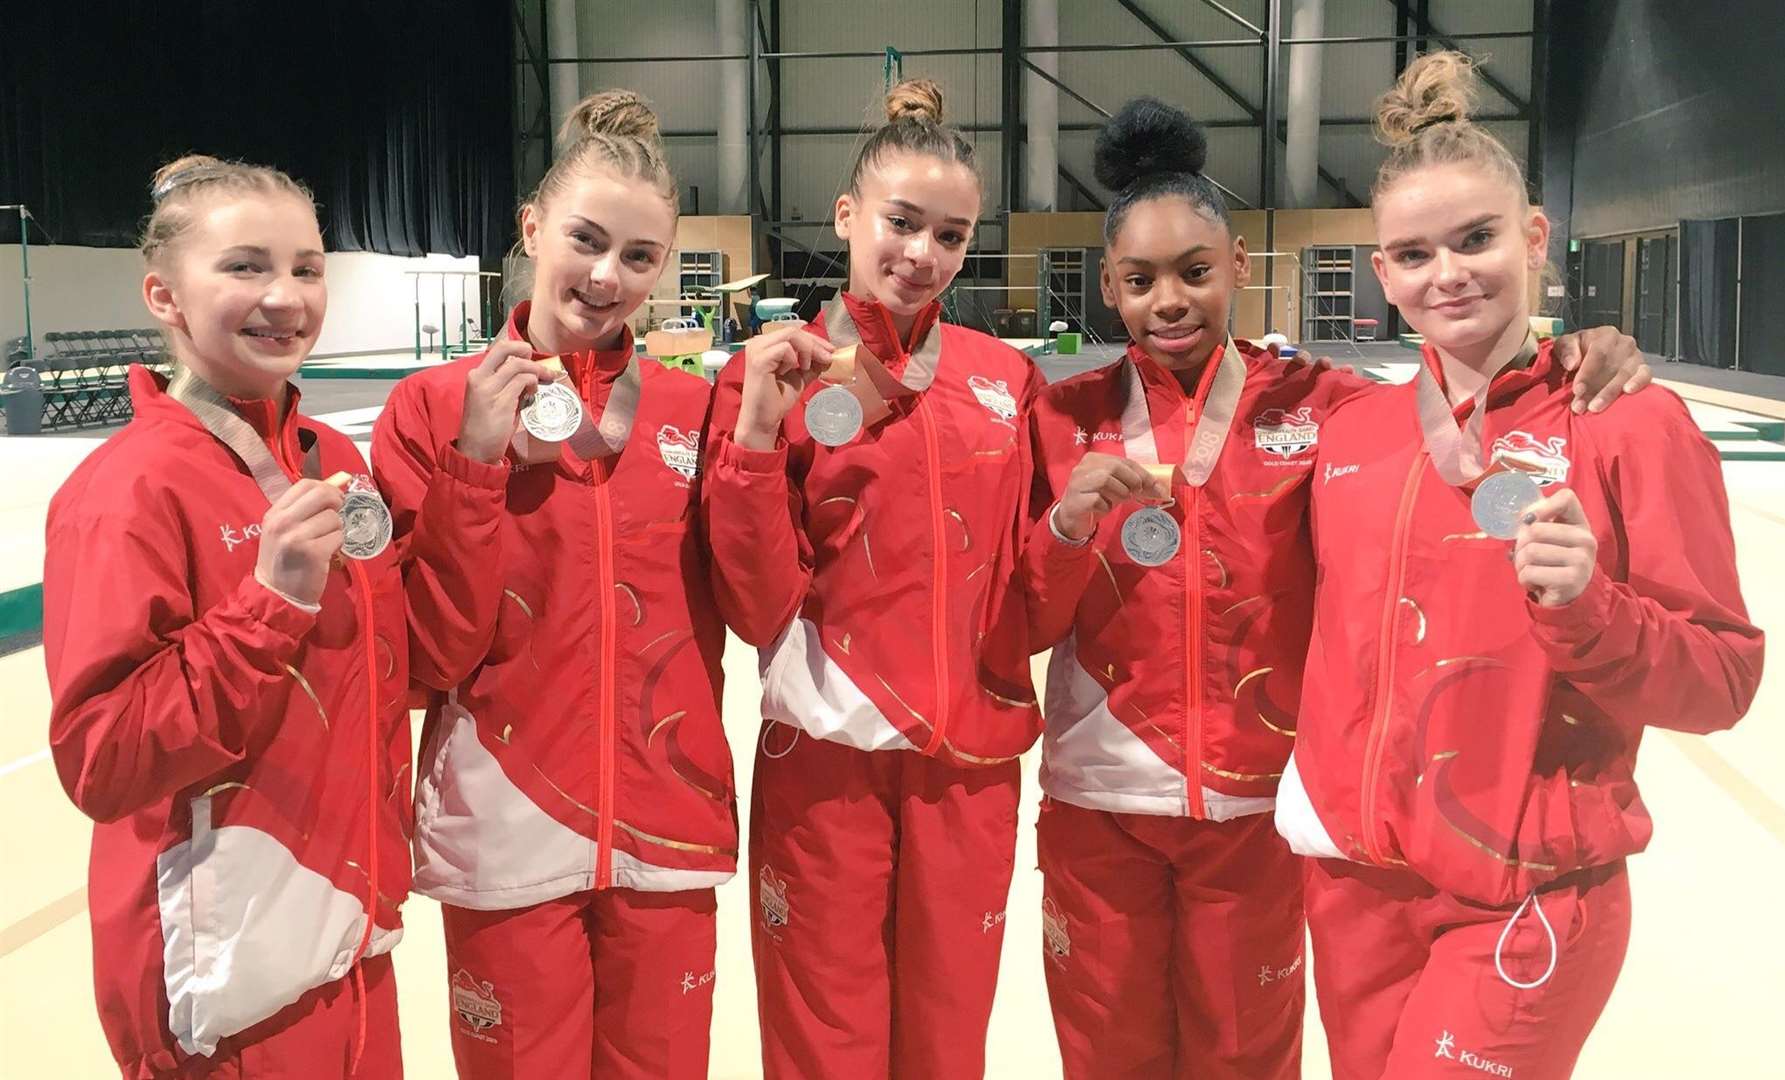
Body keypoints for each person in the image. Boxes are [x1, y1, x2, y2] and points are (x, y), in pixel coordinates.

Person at [1023, 96, 1654, 1080]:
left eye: (1195, 271)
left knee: (1248, 1061)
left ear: (1238, 265)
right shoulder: (1056, 419)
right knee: (1109, 1060)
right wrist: (1065, 528)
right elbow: (1017, 608)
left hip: (1257, 811)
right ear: (1109, 284)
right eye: (1140, 280)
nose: (1171, 300)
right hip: (1096, 804)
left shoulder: (1326, 405)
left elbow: (1466, 391)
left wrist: (1575, 347)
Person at [1274, 51, 1765, 1079]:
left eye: (1476, 239)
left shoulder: (1628, 423)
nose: (1446, 273)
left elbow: (1721, 678)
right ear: (1380, 274)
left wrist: (1591, 607)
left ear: (1535, 237)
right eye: (1412, 253)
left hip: (1527, 892)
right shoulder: (1351, 430)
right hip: (1358, 885)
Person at [373, 91, 734, 1079]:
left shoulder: (695, 410)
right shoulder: (430, 407)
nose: (608, 275)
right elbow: (428, 656)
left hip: (667, 821)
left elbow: (756, 604)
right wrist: (476, 462)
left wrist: (754, 451)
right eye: (586, 238)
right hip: (506, 828)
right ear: (532, 227)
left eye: (640, 257)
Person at [702, 78, 1044, 1079]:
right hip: (824, 757)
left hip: (967, 763)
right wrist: (761, 432)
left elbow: (1028, 577)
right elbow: (754, 603)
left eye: (952, 234)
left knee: (946, 1038)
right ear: (847, 216)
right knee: (824, 1039)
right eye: (902, 223)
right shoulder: (772, 375)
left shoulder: (1004, 379)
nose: (922, 254)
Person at [44, 155, 411, 1077]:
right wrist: (270, 604)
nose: (285, 295)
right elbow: (102, 758)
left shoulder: (334, 460)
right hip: (220, 984)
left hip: (346, 936)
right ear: (163, 295)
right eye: (245, 267)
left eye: (307, 267)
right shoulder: (125, 493)